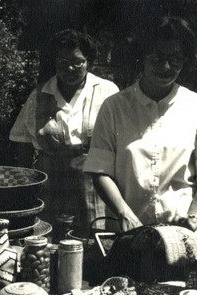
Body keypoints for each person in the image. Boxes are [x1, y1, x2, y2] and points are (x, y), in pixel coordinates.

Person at [83, 17, 197, 281]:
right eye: (157, 57)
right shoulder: (114, 107)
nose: (166, 66)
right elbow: (100, 170)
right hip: (128, 238)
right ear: (142, 57)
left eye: (176, 59)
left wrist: (193, 218)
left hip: (182, 240)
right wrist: (124, 214)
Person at [10, 29, 119, 235]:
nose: (70, 68)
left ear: (89, 61)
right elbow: (22, 141)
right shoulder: (40, 94)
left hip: (95, 186)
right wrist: (24, 189)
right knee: (49, 242)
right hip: (51, 187)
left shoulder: (108, 92)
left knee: (94, 241)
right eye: (62, 62)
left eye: (78, 62)